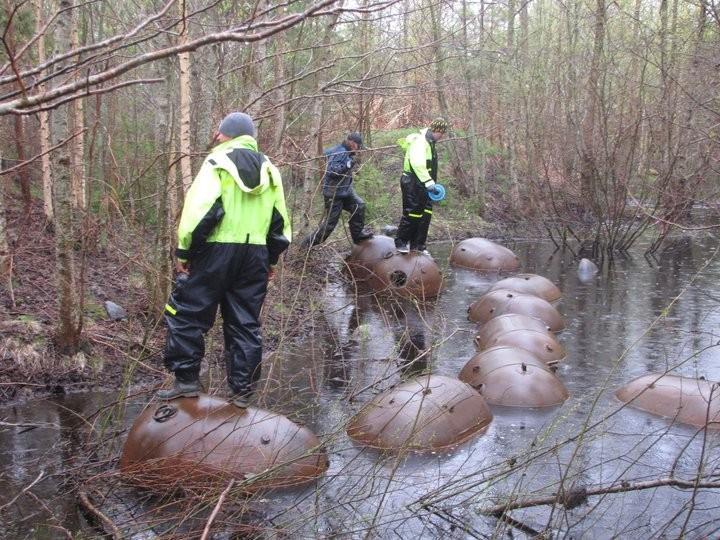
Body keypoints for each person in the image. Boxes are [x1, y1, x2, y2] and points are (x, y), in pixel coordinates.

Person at [157, 112, 291, 409]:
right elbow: (279, 221)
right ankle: (242, 393)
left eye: (219, 133)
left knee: (188, 313)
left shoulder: (216, 163)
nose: (216, 137)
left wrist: (184, 252)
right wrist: (271, 259)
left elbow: (201, 212)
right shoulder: (271, 169)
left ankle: (187, 382)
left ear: (226, 135)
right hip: (254, 253)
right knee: (244, 322)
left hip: (215, 250)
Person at [302, 132, 373, 247]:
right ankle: (305, 246)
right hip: (333, 194)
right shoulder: (340, 152)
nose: (359, 149)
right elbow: (333, 171)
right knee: (329, 225)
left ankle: (357, 235)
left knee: (359, 206)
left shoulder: (346, 151)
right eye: (358, 146)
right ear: (352, 143)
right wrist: (348, 165)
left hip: (345, 191)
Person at [394, 118, 448, 255]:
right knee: (412, 212)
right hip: (412, 182)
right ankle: (401, 242)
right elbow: (417, 164)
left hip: (425, 184)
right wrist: (429, 182)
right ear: (437, 130)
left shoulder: (431, 143)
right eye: (442, 134)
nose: (442, 137)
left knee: (426, 213)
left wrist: (430, 184)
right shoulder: (420, 142)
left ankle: (418, 245)